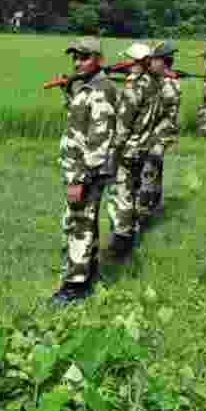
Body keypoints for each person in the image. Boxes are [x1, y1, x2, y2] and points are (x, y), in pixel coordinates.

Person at [49, 37, 117, 305]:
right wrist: (69, 91)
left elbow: (99, 140)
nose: (78, 62)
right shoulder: (88, 87)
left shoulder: (101, 89)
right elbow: (79, 121)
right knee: (86, 222)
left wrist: (79, 180)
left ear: (98, 59)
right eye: (75, 57)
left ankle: (74, 287)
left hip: (87, 172)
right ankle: (89, 275)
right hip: (81, 170)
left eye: (84, 57)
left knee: (79, 224)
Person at [106, 42, 162, 259]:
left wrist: (112, 151)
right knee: (133, 190)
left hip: (129, 149)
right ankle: (132, 233)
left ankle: (121, 242)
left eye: (130, 61)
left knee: (122, 194)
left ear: (138, 62)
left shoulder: (136, 87)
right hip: (145, 146)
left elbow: (123, 124)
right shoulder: (154, 83)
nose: (127, 65)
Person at [137, 41, 181, 226]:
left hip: (158, 135)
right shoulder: (167, 80)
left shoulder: (167, 84)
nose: (149, 63)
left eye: (153, 60)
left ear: (163, 61)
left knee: (148, 173)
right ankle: (154, 206)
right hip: (159, 134)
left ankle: (144, 214)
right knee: (154, 171)